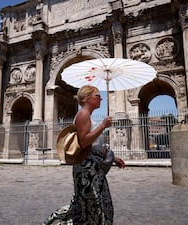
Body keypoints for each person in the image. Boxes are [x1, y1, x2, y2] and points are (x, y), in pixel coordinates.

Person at [43, 85, 126, 225]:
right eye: (98, 96)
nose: (101, 98)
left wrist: (113, 158)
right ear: (88, 98)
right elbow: (83, 142)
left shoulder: (87, 115)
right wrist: (102, 126)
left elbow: (93, 146)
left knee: (92, 208)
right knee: (96, 208)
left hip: (92, 169)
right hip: (86, 171)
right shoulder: (83, 115)